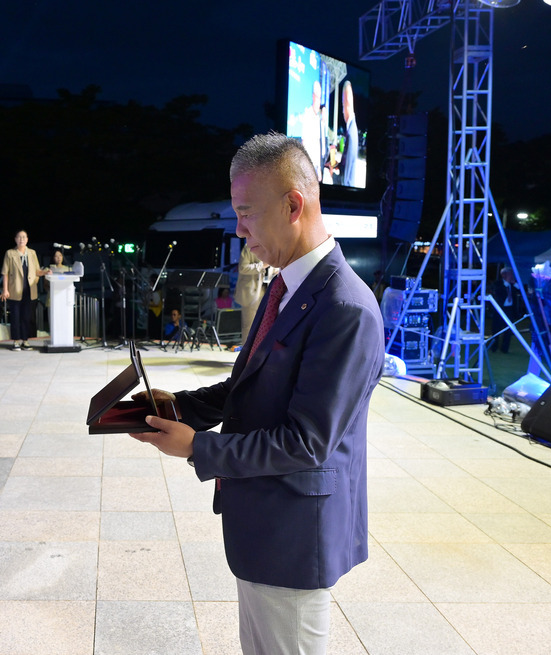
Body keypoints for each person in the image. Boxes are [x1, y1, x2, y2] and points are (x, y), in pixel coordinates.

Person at [129, 132, 384, 655]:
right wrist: (176, 408)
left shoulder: (345, 309)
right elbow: (246, 386)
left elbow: (306, 442)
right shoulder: (286, 285)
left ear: (294, 205)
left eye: (246, 212)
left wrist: (197, 447)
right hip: (264, 525)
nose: (239, 229)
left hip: (295, 536)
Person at [1, 230, 47, 350]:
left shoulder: (32, 253)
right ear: (15, 239)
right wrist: (5, 290)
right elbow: (5, 273)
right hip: (15, 290)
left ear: (27, 239)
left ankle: (25, 341)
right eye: (19, 237)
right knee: (15, 317)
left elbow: (37, 271)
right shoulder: (10, 253)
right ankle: (16, 341)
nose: (21, 239)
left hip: (30, 291)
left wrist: (45, 272)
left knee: (27, 317)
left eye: (24, 237)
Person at [233, 241, 276, 344]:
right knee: (249, 325)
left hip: (268, 289)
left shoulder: (274, 245)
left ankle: (260, 355)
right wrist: (261, 266)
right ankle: (246, 356)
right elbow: (243, 268)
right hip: (252, 291)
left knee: (266, 324)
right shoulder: (249, 246)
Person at [491, 266, 525, 353]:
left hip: (509, 310)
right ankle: (494, 347)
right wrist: (506, 283)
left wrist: (515, 284)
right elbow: (496, 292)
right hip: (499, 309)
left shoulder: (513, 285)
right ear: (503, 275)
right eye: (509, 274)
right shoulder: (498, 283)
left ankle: (505, 348)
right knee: (496, 329)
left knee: (509, 330)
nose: (511, 276)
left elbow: (522, 291)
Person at [340, 80, 359, 187]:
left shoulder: (352, 133)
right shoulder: (351, 129)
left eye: (343, 105)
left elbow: (345, 180)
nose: (343, 111)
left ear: (347, 103)